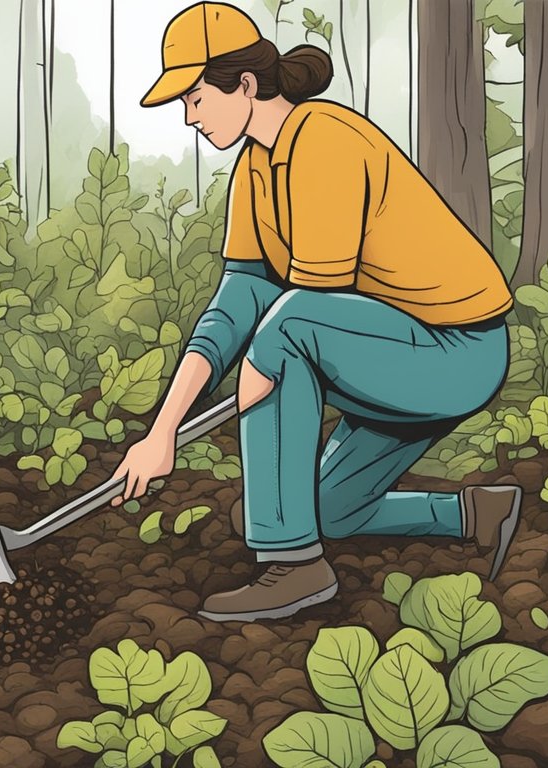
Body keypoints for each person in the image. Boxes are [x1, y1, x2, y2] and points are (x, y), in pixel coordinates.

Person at [111, 1, 524, 622]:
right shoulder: (254, 169)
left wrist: (258, 369)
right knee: (327, 509)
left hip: (455, 352)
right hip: (388, 352)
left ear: (244, 84)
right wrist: (162, 431)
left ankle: (294, 565)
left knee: (287, 333)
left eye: (195, 98)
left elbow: (304, 312)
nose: (188, 117)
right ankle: (478, 513)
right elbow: (236, 304)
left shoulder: (324, 141)